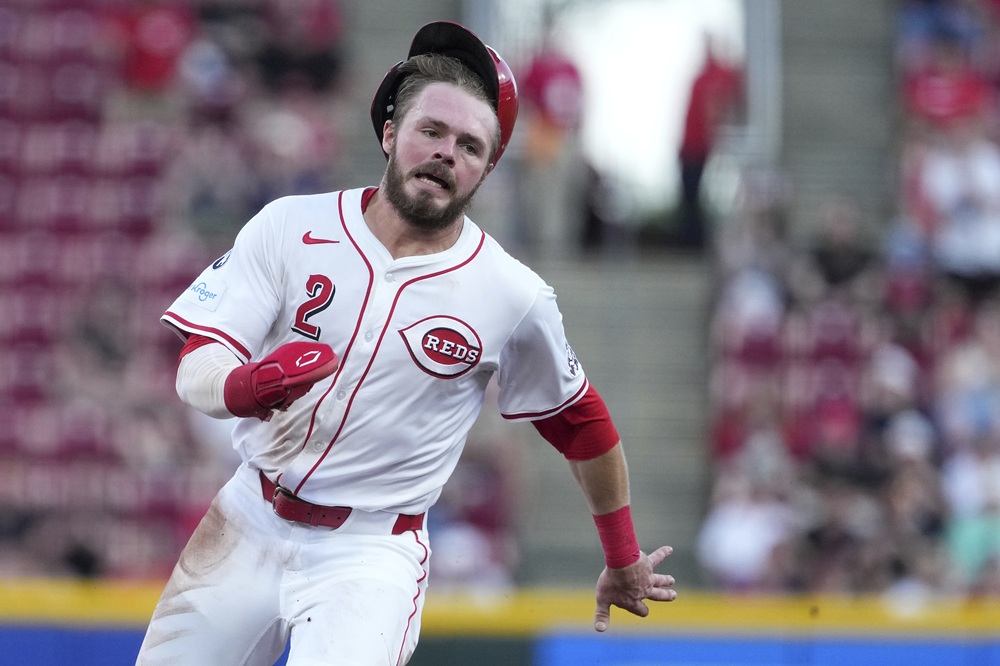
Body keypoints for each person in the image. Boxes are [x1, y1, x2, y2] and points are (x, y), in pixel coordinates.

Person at [136, 21, 676, 666]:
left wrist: (622, 555)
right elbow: (198, 362)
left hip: (368, 551)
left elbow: (581, 423)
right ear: (390, 133)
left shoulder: (512, 292)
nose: (448, 152)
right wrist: (245, 386)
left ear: (486, 171)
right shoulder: (290, 224)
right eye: (432, 131)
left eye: (470, 146)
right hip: (248, 514)